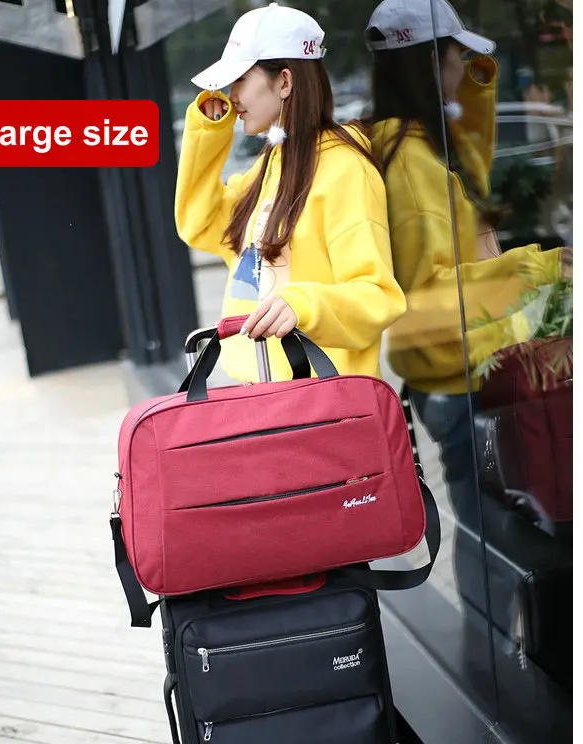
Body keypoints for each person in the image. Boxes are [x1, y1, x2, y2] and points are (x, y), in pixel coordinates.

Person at [363, 0, 570, 657]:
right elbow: (432, 296)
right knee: (494, 541)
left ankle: (499, 657)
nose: (465, 68)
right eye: (457, 57)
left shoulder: (413, 145)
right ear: (431, 62)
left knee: (497, 533)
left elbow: (472, 169)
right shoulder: (411, 163)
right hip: (461, 379)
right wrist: (541, 266)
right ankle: (489, 665)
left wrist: (477, 82)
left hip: (465, 371)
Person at [174, 2, 406, 384]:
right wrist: (208, 133)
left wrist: (303, 306)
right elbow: (200, 226)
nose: (232, 95)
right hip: (265, 395)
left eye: (241, 79)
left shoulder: (345, 169)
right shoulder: (272, 164)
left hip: (324, 401)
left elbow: (377, 295)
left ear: (284, 81)